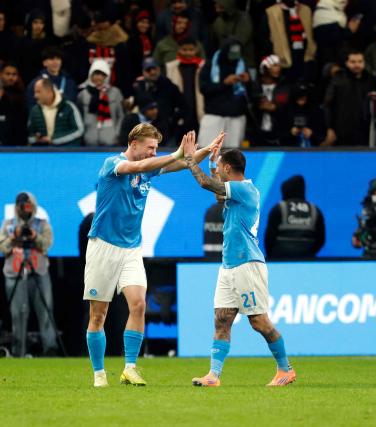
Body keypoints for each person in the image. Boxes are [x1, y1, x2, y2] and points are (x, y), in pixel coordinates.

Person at [84, 125, 219, 387]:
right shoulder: (113, 164)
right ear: (133, 143)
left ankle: (130, 368)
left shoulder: (149, 167)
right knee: (98, 315)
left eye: (156, 149)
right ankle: (99, 373)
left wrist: (205, 150)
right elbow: (135, 169)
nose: (153, 152)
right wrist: (178, 152)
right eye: (150, 147)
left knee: (139, 304)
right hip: (103, 246)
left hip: (132, 248)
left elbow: (181, 164)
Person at [182, 133, 297, 388]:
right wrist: (212, 163)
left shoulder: (246, 189)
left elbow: (207, 185)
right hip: (229, 265)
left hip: (248, 263)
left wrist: (191, 160)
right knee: (221, 320)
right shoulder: (235, 192)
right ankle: (214, 375)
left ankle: (285, 369)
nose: (218, 172)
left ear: (228, 168)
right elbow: (218, 195)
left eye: (220, 167)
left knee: (258, 321)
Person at [0, 192, 58, 357]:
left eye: (27, 205)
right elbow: (2, 247)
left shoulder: (42, 224)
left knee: (46, 312)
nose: (24, 209)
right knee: (17, 313)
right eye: (21, 206)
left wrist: (35, 236)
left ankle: (50, 348)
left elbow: (47, 244)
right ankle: (19, 350)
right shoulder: (8, 224)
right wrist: (14, 237)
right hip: (14, 273)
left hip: (39, 271)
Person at [198, 38, 250, 149]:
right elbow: (203, 88)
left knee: (232, 155)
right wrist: (224, 83)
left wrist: (248, 82)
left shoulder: (242, 64)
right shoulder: (210, 65)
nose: (234, 58)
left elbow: (251, 92)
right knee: (207, 150)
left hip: (236, 117)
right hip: (214, 115)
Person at [265, 175, 326, 259]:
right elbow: (321, 239)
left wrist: (272, 258)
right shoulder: (315, 210)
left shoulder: (278, 208)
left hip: (279, 261)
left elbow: (269, 238)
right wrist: (308, 254)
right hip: (308, 261)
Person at [322, 49, 374, 146]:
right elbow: (328, 105)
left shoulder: (370, 80)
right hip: (342, 131)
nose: (357, 65)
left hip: (365, 130)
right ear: (346, 63)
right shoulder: (337, 80)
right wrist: (330, 128)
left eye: (360, 61)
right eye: (353, 62)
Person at [132, 57, 185, 145]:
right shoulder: (138, 86)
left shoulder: (169, 86)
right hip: (144, 130)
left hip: (166, 132)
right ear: (143, 72)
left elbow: (183, 107)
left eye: (155, 69)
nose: (152, 72)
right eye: (149, 70)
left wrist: (172, 120)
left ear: (159, 69)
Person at [261, 0, 316, 83]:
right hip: (282, 66)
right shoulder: (271, 13)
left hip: (305, 63)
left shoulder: (306, 10)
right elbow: (264, 40)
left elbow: (311, 37)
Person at [77, 59, 125, 146]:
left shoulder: (115, 92)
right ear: (90, 75)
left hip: (111, 139)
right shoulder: (82, 94)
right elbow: (79, 117)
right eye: (96, 74)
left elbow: (121, 116)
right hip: (89, 139)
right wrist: (83, 136)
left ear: (107, 76)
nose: (99, 77)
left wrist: (117, 134)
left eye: (103, 74)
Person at [165, 37, 205, 134]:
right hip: (179, 109)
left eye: (191, 50)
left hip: (198, 107)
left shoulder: (202, 66)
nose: (188, 53)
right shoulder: (171, 66)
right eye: (184, 50)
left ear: (196, 50)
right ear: (179, 49)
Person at [27, 78, 84, 146]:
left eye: (38, 92)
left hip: (66, 153)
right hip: (43, 154)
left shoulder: (69, 107)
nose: (35, 96)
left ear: (49, 92)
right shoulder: (35, 110)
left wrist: (54, 139)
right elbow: (30, 135)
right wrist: (35, 139)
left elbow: (79, 130)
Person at [250, 54, 290, 146]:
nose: (278, 68)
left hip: (279, 134)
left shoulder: (283, 86)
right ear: (265, 68)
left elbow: (287, 108)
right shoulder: (255, 86)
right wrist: (258, 104)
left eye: (279, 65)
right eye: (275, 65)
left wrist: (275, 107)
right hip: (257, 134)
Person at [210, 0, 255, 69]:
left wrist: (232, 63)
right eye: (215, 4)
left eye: (219, 5)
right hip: (225, 66)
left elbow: (240, 41)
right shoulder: (218, 22)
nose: (216, 7)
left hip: (246, 63)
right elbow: (217, 44)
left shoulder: (243, 18)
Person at [280, 82, 325, 147]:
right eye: (299, 96)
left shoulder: (316, 110)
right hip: (290, 149)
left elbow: (322, 132)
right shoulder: (286, 110)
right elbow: (279, 133)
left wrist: (312, 133)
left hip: (312, 148)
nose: (302, 99)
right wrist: (290, 133)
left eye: (304, 96)